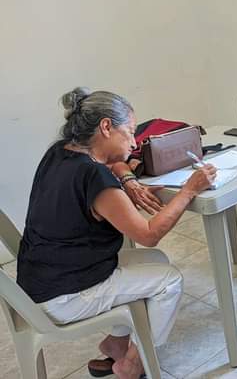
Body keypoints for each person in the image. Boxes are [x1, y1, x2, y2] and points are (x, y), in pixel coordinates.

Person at [16, 88, 217, 379]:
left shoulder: (59, 152)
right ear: (106, 127)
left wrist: (127, 181)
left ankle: (117, 344)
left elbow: (111, 169)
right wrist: (189, 190)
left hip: (39, 279)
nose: (134, 142)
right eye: (130, 132)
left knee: (156, 260)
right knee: (169, 281)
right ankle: (132, 364)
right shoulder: (93, 176)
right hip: (63, 295)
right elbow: (149, 234)